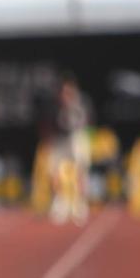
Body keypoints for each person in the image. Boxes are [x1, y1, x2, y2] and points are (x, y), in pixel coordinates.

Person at [39, 75, 91, 224]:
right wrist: (49, 141)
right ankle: (60, 202)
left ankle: (80, 203)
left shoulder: (81, 105)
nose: (66, 95)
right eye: (64, 92)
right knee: (54, 170)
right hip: (59, 140)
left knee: (80, 171)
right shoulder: (54, 106)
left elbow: (86, 124)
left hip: (76, 138)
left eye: (69, 92)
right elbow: (48, 126)